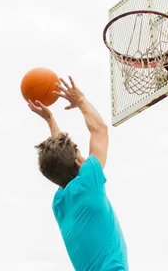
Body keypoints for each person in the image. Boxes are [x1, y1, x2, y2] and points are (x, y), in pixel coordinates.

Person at [27, 76, 128, 270]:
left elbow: (61, 162)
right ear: (78, 163)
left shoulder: (59, 203)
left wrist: (50, 120)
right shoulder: (88, 183)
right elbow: (100, 130)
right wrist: (80, 100)